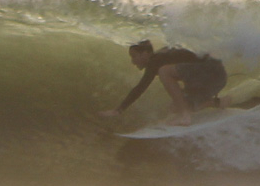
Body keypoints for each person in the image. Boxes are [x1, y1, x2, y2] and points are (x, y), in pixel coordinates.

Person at [99, 39, 236, 126]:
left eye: (134, 56)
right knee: (173, 108)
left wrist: (119, 110)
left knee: (164, 71)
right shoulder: (162, 56)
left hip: (211, 72)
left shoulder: (156, 60)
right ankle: (218, 102)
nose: (133, 61)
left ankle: (184, 115)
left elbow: (141, 87)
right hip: (216, 78)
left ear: (146, 53)